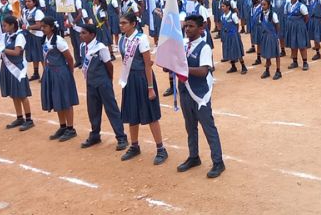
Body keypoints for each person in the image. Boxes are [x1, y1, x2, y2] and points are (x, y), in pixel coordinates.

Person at [178, 15, 226, 178]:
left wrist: (183, 68)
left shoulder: (204, 47)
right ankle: (194, 156)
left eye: (191, 26)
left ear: (201, 29)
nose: (187, 29)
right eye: (186, 26)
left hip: (199, 94)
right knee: (190, 126)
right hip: (185, 91)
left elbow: (203, 71)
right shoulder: (183, 45)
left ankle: (218, 162)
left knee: (208, 127)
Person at [116, 13, 167, 163]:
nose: (121, 26)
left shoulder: (141, 39)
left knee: (151, 114)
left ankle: (161, 149)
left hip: (142, 79)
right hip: (129, 79)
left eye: (124, 23)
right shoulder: (122, 39)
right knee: (132, 112)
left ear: (133, 24)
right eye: (120, 23)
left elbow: (147, 65)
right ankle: (134, 145)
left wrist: (150, 87)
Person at [78, 24, 129, 151]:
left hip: (103, 83)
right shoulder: (82, 46)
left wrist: (108, 80)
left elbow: (109, 65)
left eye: (84, 33)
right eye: (81, 33)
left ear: (92, 35)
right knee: (93, 110)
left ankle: (121, 137)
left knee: (111, 109)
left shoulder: (100, 47)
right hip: (90, 83)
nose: (81, 35)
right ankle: (95, 135)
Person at [40, 16, 79, 142]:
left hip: (61, 73)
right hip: (50, 72)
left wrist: (69, 73)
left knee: (66, 100)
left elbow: (69, 58)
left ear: (52, 27)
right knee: (57, 99)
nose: (42, 29)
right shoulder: (45, 39)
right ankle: (63, 126)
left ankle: (70, 128)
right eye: (41, 26)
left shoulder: (59, 40)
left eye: (45, 26)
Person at [0, 15, 34, 130]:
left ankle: (29, 120)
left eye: (5, 26)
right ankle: (19, 117)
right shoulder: (5, 36)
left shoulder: (20, 36)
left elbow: (16, 52)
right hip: (7, 67)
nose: (3, 28)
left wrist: (2, 49)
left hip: (17, 68)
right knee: (13, 94)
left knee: (22, 95)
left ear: (12, 25)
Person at [219, 1, 248, 74]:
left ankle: (243, 66)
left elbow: (237, 24)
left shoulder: (233, 15)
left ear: (228, 7)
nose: (222, 8)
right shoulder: (222, 16)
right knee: (229, 50)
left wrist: (235, 33)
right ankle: (233, 66)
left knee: (237, 50)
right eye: (222, 6)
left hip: (233, 36)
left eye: (223, 6)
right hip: (226, 36)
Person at [285, 0, 310, 71]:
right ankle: (295, 62)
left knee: (302, 45)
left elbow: (306, 17)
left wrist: (300, 24)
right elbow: (286, 14)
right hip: (290, 27)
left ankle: (305, 62)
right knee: (293, 45)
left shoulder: (301, 6)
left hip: (299, 27)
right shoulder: (287, 5)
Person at [22, 0, 45, 81]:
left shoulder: (38, 12)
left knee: (41, 55)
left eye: (29, 1)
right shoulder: (26, 12)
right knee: (34, 54)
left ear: (34, 3)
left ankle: (45, 74)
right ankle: (36, 73)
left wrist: (27, 27)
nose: (27, 3)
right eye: (26, 1)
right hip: (30, 36)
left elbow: (39, 25)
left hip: (38, 36)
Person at [259, 0, 282, 80]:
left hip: (272, 36)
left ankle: (278, 71)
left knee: (276, 53)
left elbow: (277, 25)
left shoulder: (273, 14)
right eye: (262, 5)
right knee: (267, 53)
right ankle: (267, 70)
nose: (263, 6)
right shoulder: (261, 14)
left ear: (268, 5)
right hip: (265, 36)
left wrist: (275, 35)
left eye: (264, 5)